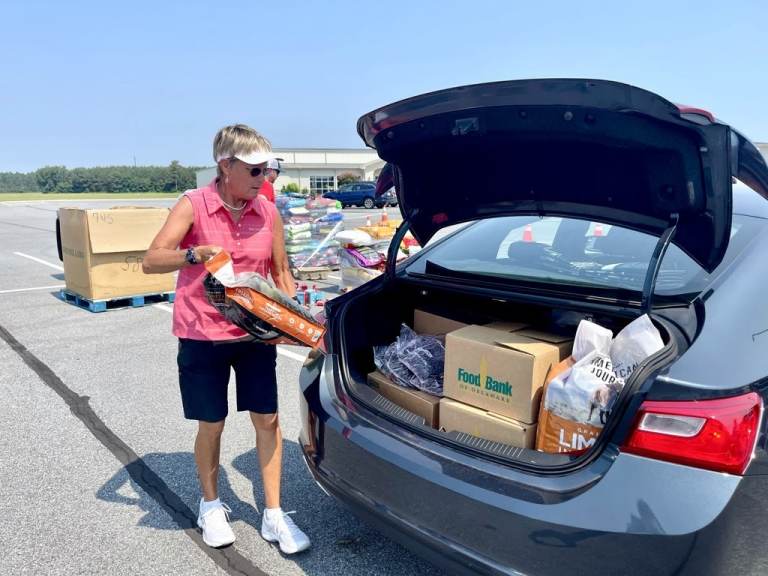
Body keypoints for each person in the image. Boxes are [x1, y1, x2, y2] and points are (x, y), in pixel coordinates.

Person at [142, 124, 310, 553]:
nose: (264, 179)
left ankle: (274, 513)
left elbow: (281, 271)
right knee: (211, 423)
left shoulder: (268, 211)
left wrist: (293, 320)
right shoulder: (193, 205)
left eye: (269, 170)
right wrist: (193, 254)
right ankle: (212, 505)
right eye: (255, 171)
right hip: (202, 334)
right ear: (226, 165)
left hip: (254, 335)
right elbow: (152, 259)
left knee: (269, 419)